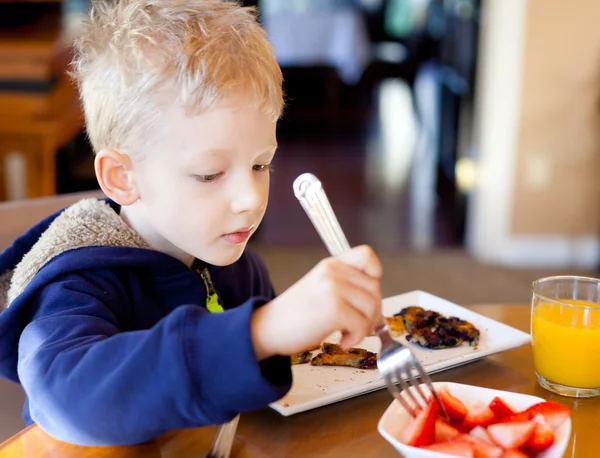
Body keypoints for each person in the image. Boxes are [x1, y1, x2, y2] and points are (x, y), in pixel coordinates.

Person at [0, 0, 382, 446]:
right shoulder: (73, 288)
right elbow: (70, 402)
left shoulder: (236, 267)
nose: (250, 199)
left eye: (261, 165)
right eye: (209, 174)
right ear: (123, 178)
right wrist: (264, 330)